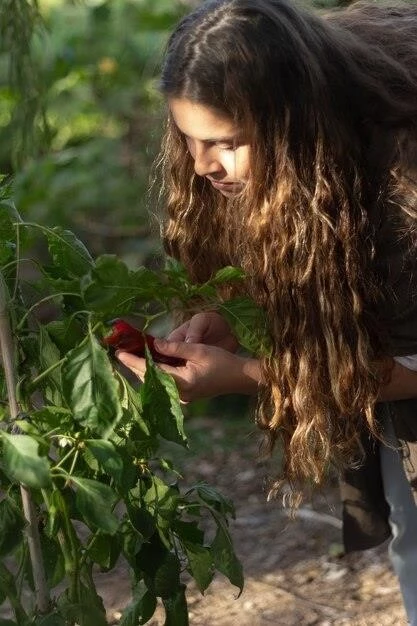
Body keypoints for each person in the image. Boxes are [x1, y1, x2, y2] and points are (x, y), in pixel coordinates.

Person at [116, 0, 417, 622]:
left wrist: (248, 375)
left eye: (226, 143)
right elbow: (307, 227)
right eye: (190, 139)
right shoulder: (320, 123)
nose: (202, 167)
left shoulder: (403, 186)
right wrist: (235, 314)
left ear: (295, 124)